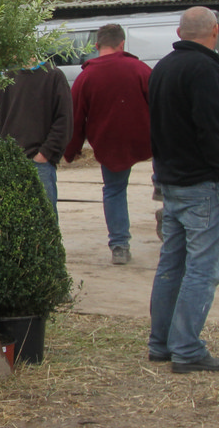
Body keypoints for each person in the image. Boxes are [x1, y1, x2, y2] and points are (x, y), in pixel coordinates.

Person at [148, 7, 219, 373]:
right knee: (203, 269)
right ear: (215, 32)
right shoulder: (205, 70)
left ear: (179, 32)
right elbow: (214, 126)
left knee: (172, 265)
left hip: (173, 180)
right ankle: (187, 348)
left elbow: (157, 125)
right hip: (204, 184)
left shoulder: (163, 68)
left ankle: (161, 342)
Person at [62, 24, 152, 265]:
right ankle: (166, 204)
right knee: (169, 185)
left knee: (114, 191)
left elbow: (76, 117)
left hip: (109, 143)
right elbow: (160, 104)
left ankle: (120, 246)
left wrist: (71, 151)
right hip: (145, 139)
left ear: (96, 46)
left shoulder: (86, 77)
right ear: (122, 44)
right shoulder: (141, 70)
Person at [0, 57, 72, 212]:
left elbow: (64, 120)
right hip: (9, 164)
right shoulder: (7, 78)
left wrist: (45, 154)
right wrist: (2, 151)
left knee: (44, 218)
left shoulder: (53, 76)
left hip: (40, 164)